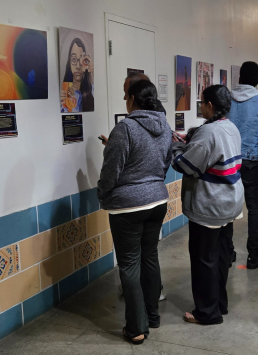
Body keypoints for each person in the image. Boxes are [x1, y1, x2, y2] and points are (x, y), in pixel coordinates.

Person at [97, 80, 172, 344]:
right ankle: (152, 316)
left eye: (125, 95)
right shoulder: (164, 125)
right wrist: (150, 183)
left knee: (129, 264)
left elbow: (111, 171)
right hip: (157, 201)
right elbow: (166, 161)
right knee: (149, 257)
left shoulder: (125, 127)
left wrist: (102, 194)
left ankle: (137, 327)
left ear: (132, 99)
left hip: (127, 205)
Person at [171, 85, 244, 325]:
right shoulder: (229, 127)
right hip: (229, 202)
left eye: (201, 102)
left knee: (204, 260)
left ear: (210, 105)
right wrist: (189, 142)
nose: (200, 106)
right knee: (221, 256)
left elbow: (186, 166)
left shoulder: (208, 133)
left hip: (209, 206)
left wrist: (175, 148)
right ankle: (218, 304)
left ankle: (206, 312)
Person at [227, 61, 258, 269]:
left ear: (239, 78)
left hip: (228, 162)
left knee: (228, 208)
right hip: (253, 162)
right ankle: (253, 255)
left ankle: (227, 253)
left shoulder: (226, 100)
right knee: (254, 209)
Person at [61, 38, 94, 112]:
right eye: (74, 59)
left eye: (81, 60)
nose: (78, 66)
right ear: (69, 64)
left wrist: (94, 73)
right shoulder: (64, 94)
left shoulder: (92, 90)